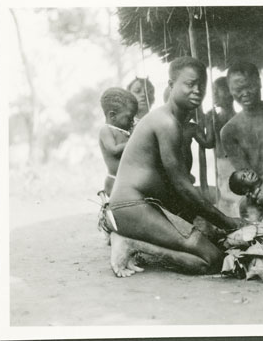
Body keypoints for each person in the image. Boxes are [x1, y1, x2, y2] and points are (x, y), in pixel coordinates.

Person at [106, 57, 249, 277]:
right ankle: (132, 243)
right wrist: (227, 221)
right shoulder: (166, 122)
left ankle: (140, 242)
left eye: (201, 85)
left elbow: (176, 189)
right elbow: (182, 186)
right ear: (171, 86)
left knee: (215, 246)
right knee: (211, 260)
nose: (197, 90)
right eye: (190, 84)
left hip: (149, 206)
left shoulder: (178, 124)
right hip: (131, 205)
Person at [205, 77, 239, 216]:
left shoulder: (238, 118)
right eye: (212, 90)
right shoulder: (214, 118)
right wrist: (208, 123)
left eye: (218, 90)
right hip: (220, 165)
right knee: (224, 197)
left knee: (235, 196)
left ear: (230, 93)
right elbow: (209, 143)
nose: (214, 94)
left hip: (234, 164)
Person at [98, 88, 138, 196]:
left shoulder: (126, 132)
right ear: (112, 116)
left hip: (128, 180)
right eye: (129, 118)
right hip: (114, 180)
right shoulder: (106, 130)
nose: (132, 121)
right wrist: (134, 140)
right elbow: (114, 150)